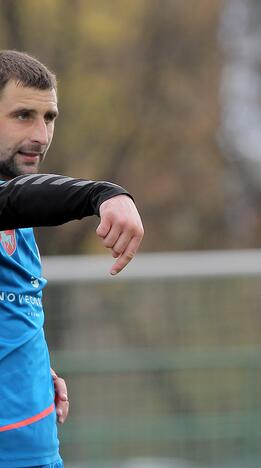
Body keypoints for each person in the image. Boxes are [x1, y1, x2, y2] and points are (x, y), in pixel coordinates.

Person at [0, 50, 144, 467]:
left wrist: (29, 369)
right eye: (23, 115)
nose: (41, 135)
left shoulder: (18, 218)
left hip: (37, 449)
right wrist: (103, 194)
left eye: (49, 118)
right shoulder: (16, 200)